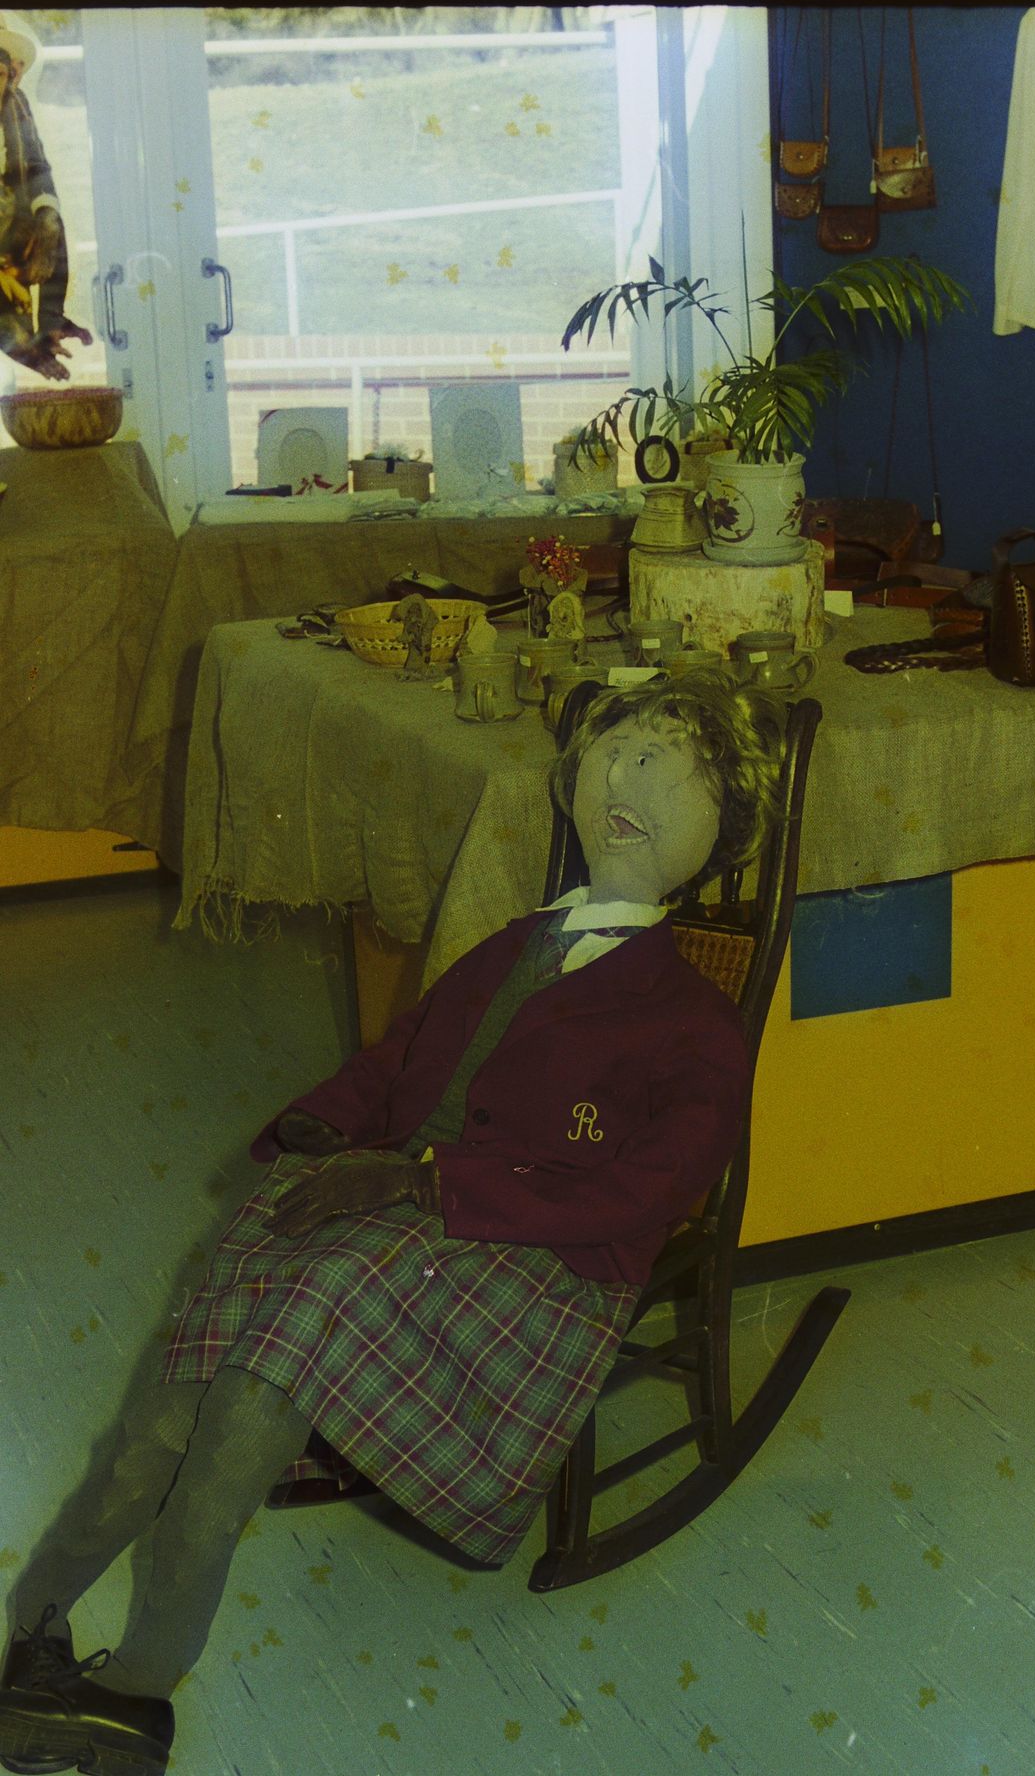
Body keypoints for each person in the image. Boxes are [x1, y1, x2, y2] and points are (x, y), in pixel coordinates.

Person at [0, 668, 788, 1776]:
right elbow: (399, 1057)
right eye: (618, 749)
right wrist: (323, 1127)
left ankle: (138, 1686)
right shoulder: (508, 945)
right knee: (169, 1412)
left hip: (532, 1264)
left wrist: (422, 1184)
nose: (632, 777)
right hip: (402, 1223)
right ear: (573, 779)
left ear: (724, 830)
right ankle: (34, 1629)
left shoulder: (694, 1022)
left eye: (677, 768)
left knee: (249, 1399)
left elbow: (639, 1198)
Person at [0, 16, 92, 383]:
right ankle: (22, 343)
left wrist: (48, 219)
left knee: (49, 218)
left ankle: (50, 322)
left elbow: (36, 166)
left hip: (8, 235)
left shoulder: (14, 104)